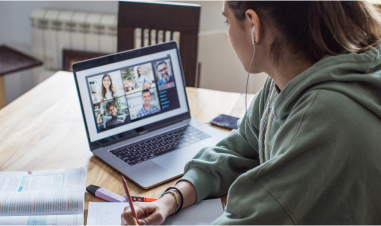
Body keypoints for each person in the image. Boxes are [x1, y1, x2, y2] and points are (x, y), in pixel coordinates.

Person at [122, 0, 381, 225]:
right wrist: (171, 200)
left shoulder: (322, 119)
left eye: (226, 21)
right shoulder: (289, 77)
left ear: (253, 24)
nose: (228, 31)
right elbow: (242, 146)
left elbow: (250, 217)